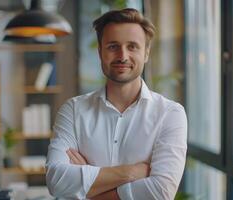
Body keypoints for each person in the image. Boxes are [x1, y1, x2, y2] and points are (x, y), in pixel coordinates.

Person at [46, 8, 187, 200]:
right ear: (100, 52)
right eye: (113, 46)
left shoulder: (170, 113)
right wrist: (132, 173)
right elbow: (56, 180)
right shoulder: (72, 110)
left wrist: (87, 188)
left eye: (132, 46)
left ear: (146, 53)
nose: (122, 56)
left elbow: (160, 192)